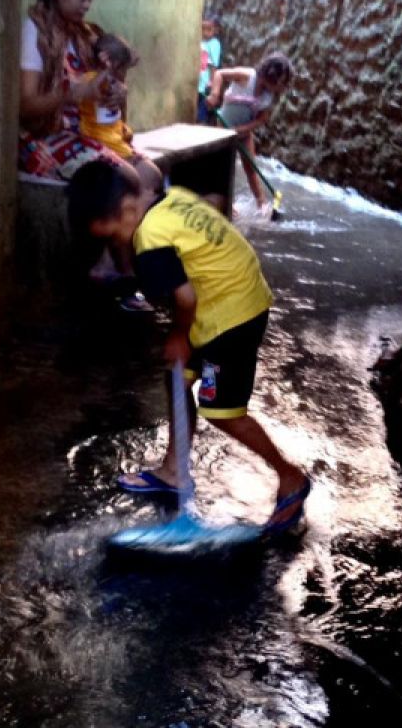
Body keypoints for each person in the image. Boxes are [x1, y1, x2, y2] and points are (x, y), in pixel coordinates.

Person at [65, 161, 313, 535]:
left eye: (112, 236)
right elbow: (209, 215)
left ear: (129, 211)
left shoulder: (150, 243)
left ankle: (290, 476)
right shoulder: (170, 200)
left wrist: (179, 335)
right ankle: (174, 471)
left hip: (231, 314)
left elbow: (185, 297)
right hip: (228, 290)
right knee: (177, 377)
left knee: (222, 410)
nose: (115, 245)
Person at [19, 0, 153, 311]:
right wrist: (70, 94)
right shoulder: (34, 31)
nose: (88, 4)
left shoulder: (83, 34)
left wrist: (110, 89)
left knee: (151, 174)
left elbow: (98, 87)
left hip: (81, 133)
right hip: (42, 137)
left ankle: (127, 264)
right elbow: (26, 106)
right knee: (127, 180)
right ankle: (121, 274)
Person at [206, 52, 292, 215]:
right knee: (225, 169)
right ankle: (227, 205)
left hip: (243, 133)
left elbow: (262, 119)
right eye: (282, 84)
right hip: (223, 131)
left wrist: (243, 130)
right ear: (272, 77)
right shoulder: (247, 76)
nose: (283, 89)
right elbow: (220, 74)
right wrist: (215, 93)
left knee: (251, 168)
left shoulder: (268, 96)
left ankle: (262, 203)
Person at [78, 33, 163, 194]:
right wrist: (106, 71)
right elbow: (91, 89)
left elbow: (115, 120)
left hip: (116, 141)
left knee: (154, 178)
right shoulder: (92, 79)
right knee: (145, 181)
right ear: (111, 65)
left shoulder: (115, 83)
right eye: (122, 69)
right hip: (100, 142)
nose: (124, 75)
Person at [196, 14, 221, 125]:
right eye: (203, 29)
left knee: (202, 107)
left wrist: (212, 82)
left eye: (209, 29)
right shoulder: (199, 41)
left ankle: (201, 125)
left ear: (215, 30)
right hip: (197, 80)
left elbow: (214, 65)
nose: (205, 32)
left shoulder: (214, 44)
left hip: (205, 82)